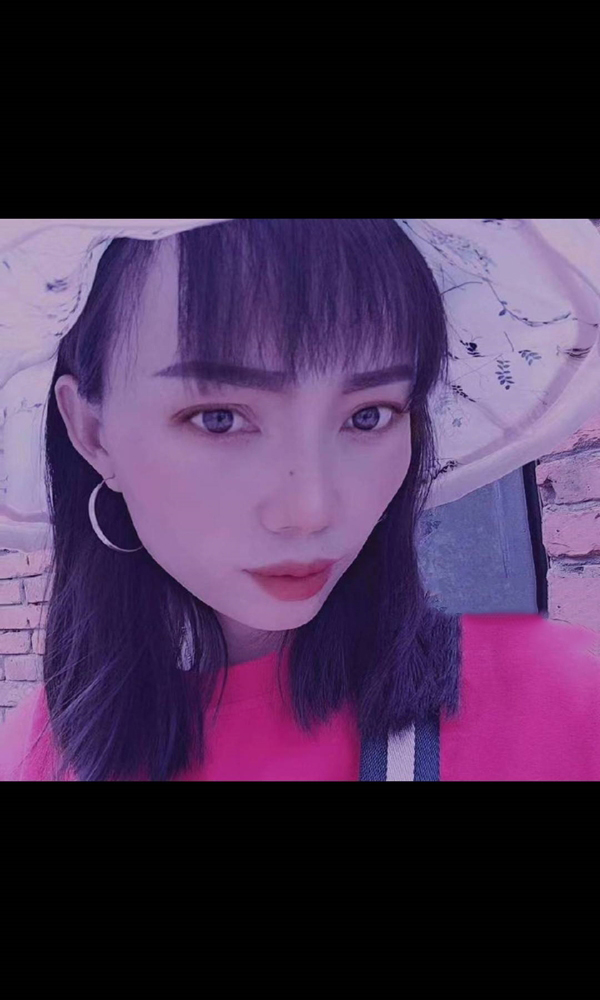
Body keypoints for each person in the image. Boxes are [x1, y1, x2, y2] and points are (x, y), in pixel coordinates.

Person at [0, 218, 599, 781]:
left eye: (369, 415)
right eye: (218, 418)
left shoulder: (567, 705)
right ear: (92, 433)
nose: (311, 511)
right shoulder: (39, 753)